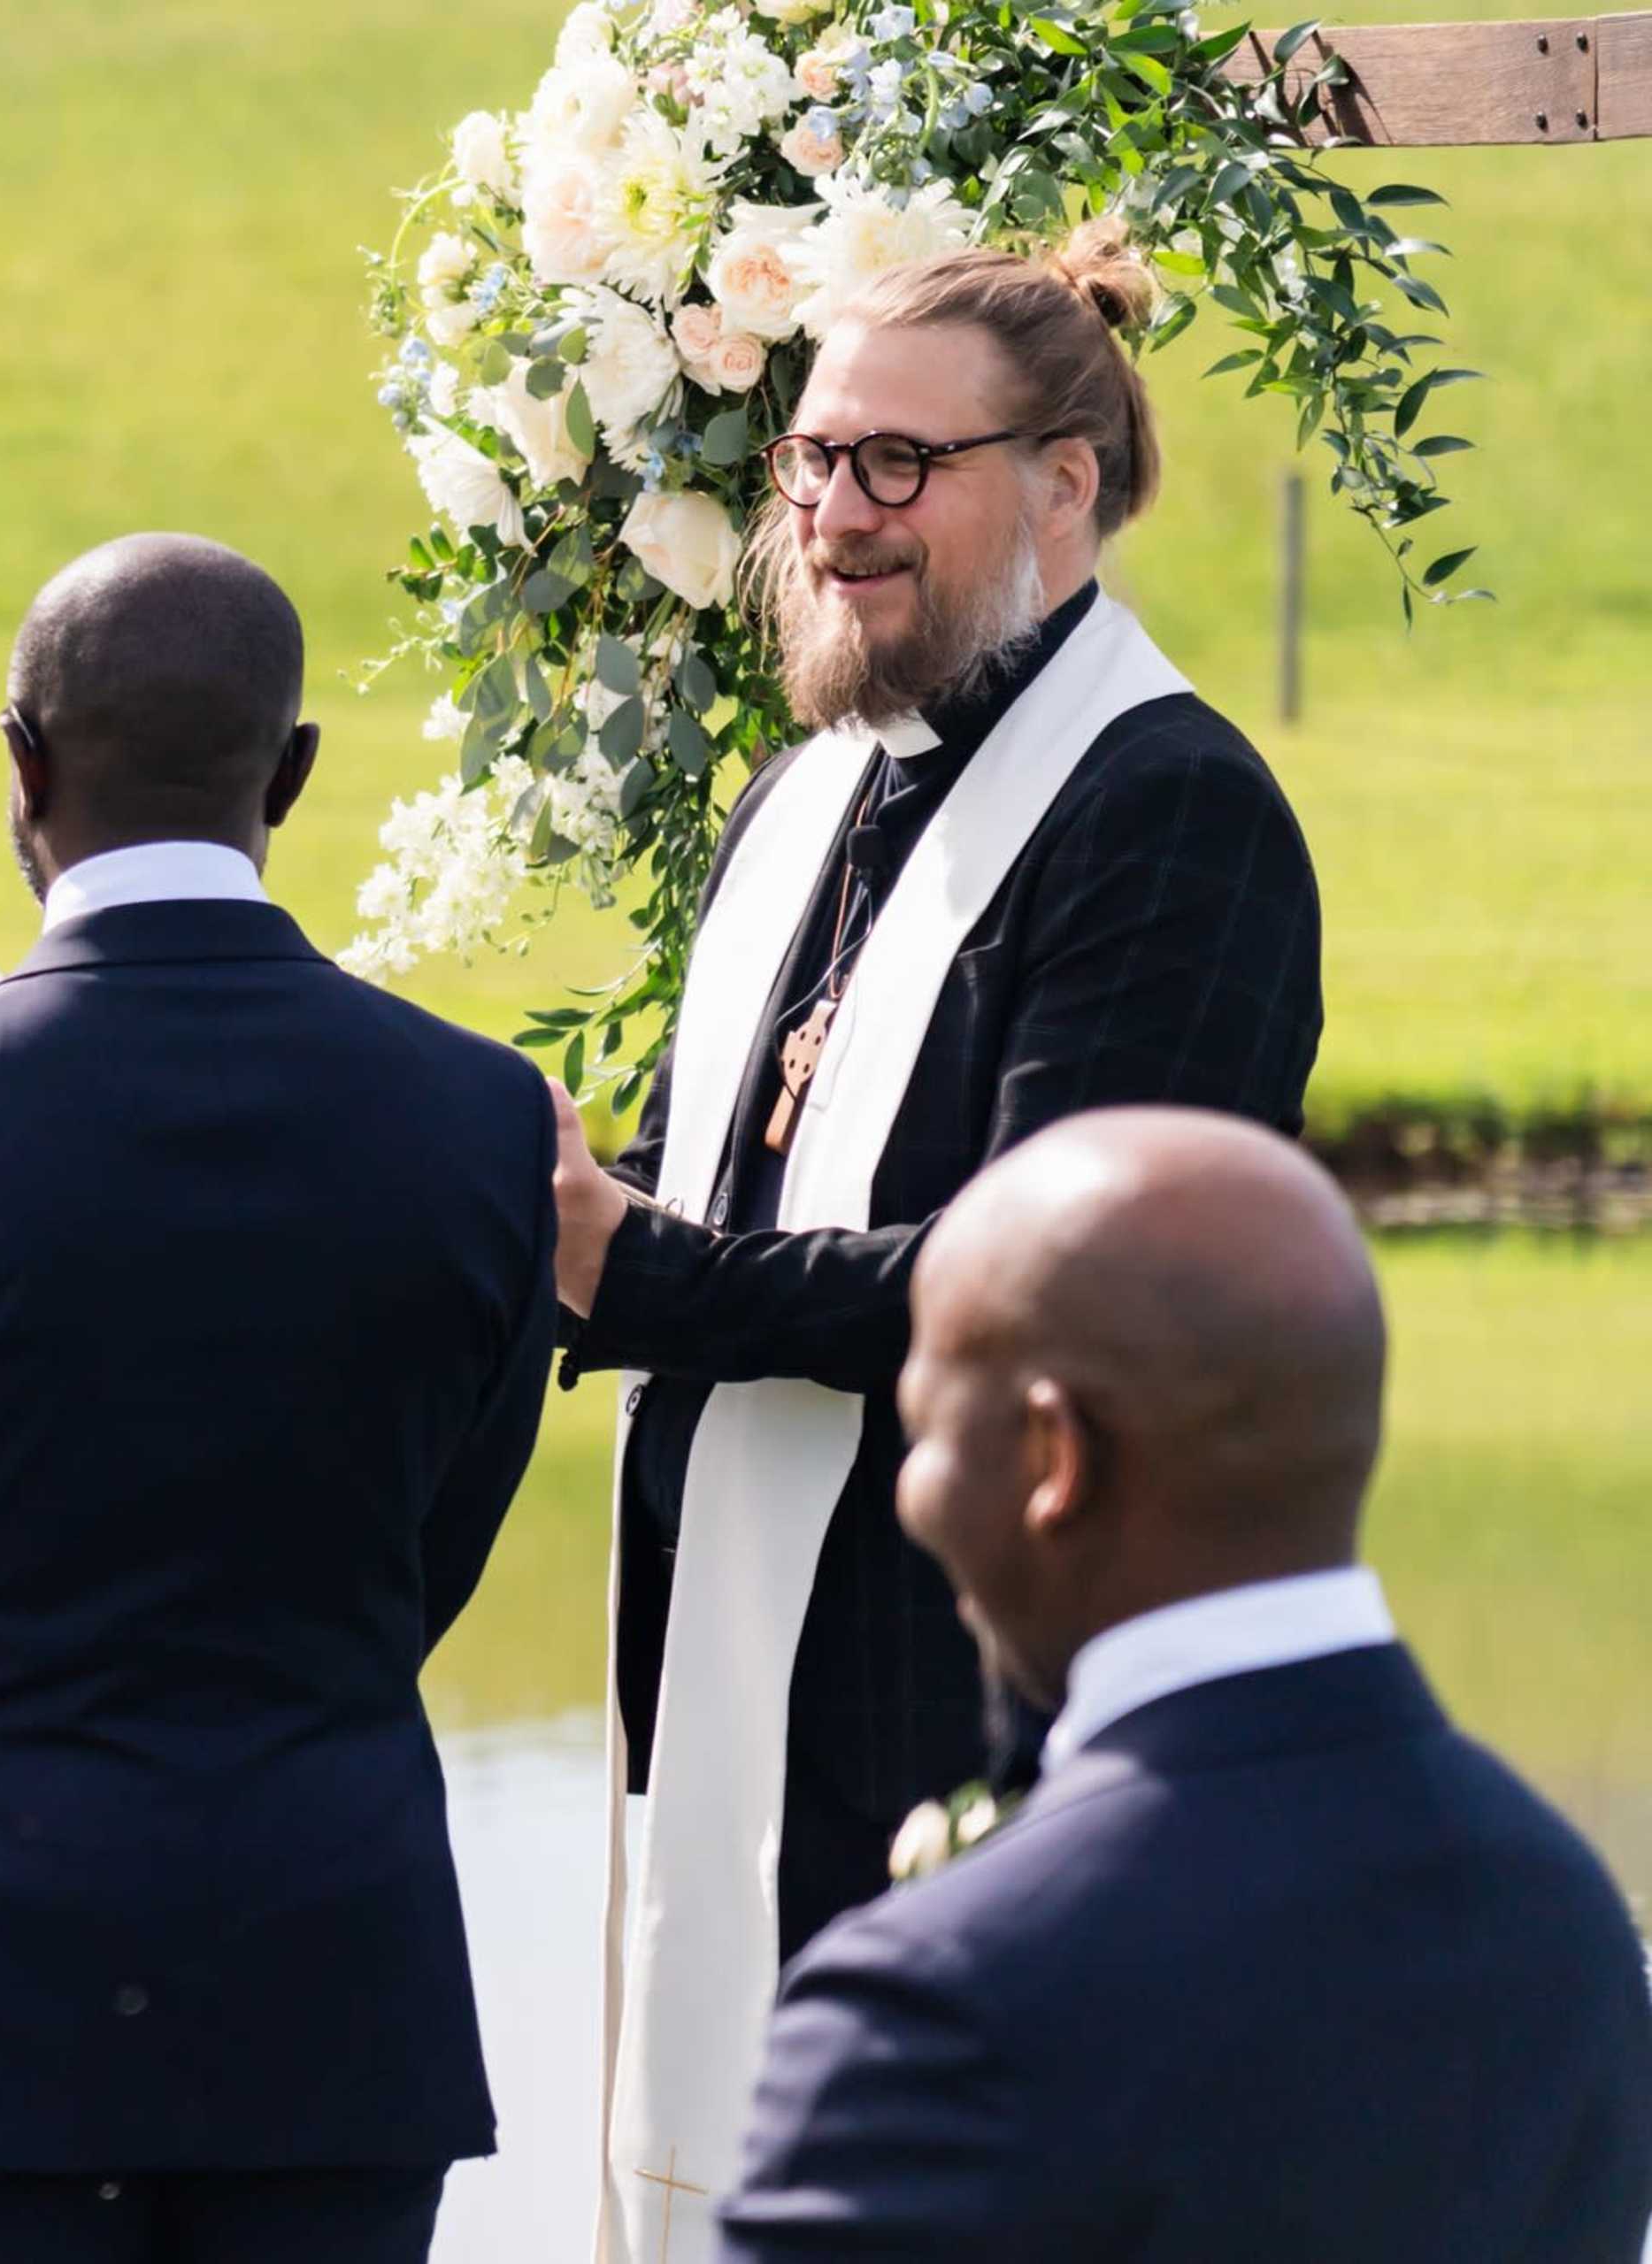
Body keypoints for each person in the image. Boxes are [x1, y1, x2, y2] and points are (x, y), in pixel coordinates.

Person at [555, 221, 1329, 2252]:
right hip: (725, 1671)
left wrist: (629, 1272)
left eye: (900, 464)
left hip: (961, 1687)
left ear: (1066, 482)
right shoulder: (802, 790)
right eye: (813, 460)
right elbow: (742, 1171)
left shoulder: (1169, 810)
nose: (829, 514)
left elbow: (1052, 1276)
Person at [0, 535, 558, 2264]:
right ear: (291, 773)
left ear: (21, 761)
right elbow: (439, 1530)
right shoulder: (476, 1119)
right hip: (329, 1980)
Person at [719, 1106, 1652, 2260]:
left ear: (1055, 1460)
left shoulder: (943, 2004)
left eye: (929, 1433)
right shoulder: (1569, 1919)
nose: (915, 1494)